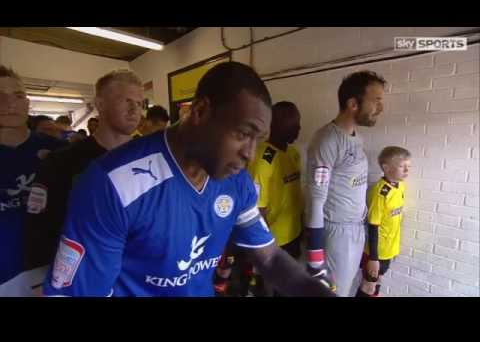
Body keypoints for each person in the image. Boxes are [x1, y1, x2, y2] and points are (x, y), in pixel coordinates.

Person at [41, 62, 336, 297]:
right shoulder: (113, 183)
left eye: (257, 140)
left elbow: (269, 258)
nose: (249, 153)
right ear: (200, 111)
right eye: (243, 133)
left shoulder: (235, 180)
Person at [24, 69, 144, 294]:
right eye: (125, 101)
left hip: (137, 277)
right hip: (84, 278)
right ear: (101, 103)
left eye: (139, 103)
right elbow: (40, 228)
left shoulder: (148, 160)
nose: (134, 110)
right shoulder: (62, 162)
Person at [305, 70, 385, 296]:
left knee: (346, 288)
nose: (381, 108)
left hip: (356, 228)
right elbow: (315, 199)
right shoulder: (327, 140)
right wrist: (315, 252)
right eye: (376, 100)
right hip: (336, 233)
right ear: (353, 104)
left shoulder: (355, 136)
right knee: (332, 293)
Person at [215, 101, 304, 296]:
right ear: (277, 126)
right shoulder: (264, 160)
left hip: (293, 234)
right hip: (271, 242)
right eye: (293, 124)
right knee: (266, 289)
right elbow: (256, 208)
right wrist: (257, 253)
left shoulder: (293, 154)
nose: (299, 128)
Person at [0, 65, 66, 296]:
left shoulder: (59, 152)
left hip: (54, 269)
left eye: (17, 96)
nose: (9, 104)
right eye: (0, 96)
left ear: (28, 103)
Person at [356, 146, 411, 297]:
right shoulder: (380, 193)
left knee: (377, 282)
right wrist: (373, 258)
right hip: (376, 252)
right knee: (368, 287)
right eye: (401, 166)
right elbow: (373, 226)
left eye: (408, 166)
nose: (406, 170)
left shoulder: (400, 186)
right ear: (386, 168)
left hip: (388, 250)